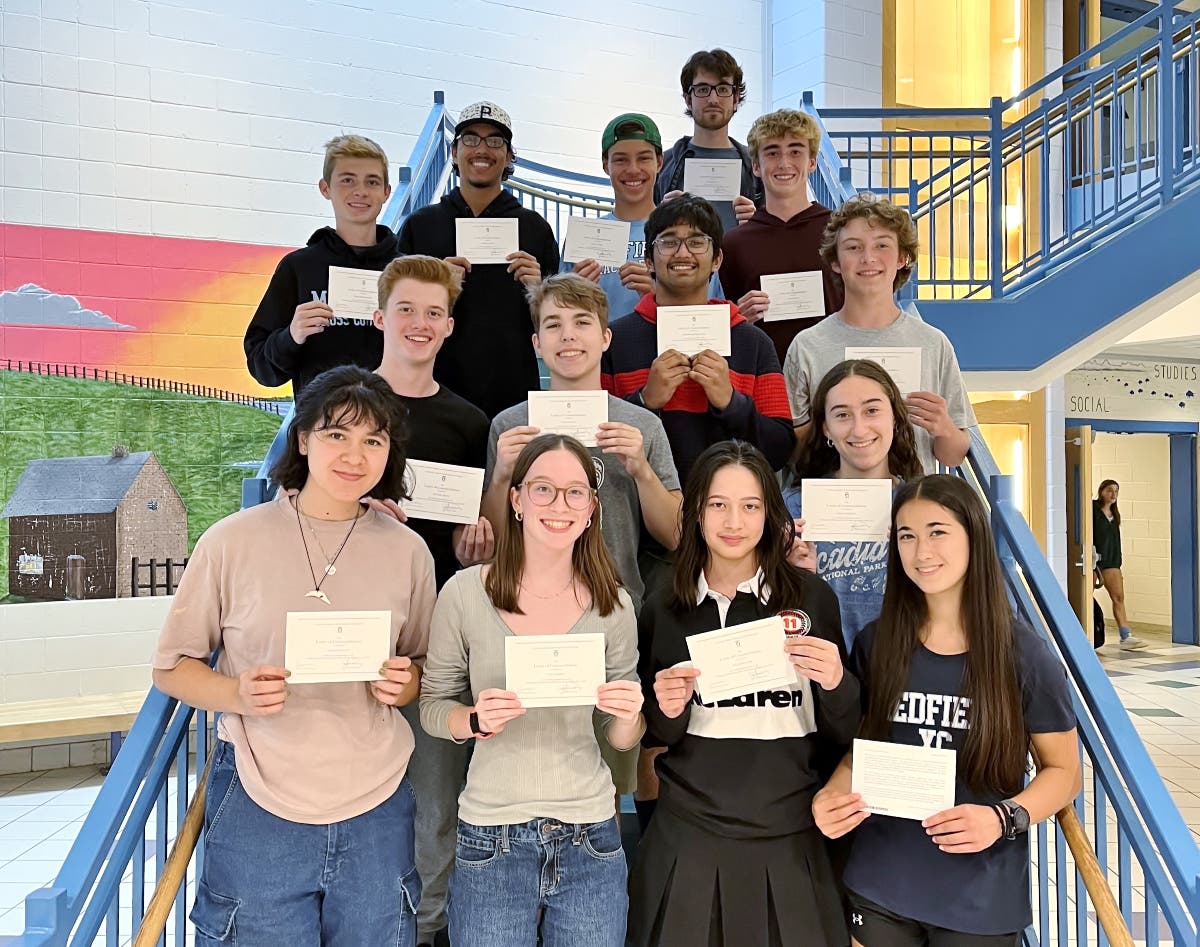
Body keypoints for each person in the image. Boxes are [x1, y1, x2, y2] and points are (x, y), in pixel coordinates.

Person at [152, 366, 433, 946]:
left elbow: (424, 666)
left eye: (373, 440)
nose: (354, 455)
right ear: (302, 439)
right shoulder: (231, 540)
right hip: (258, 794)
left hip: (376, 799)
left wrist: (405, 684)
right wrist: (235, 693)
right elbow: (171, 667)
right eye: (336, 434)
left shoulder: (408, 551)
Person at [813, 475, 1081, 946]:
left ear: (973, 536)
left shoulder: (1024, 656)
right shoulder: (878, 643)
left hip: (979, 895)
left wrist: (1002, 818)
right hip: (881, 880)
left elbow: (1064, 773)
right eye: (907, 536)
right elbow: (866, 749)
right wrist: (831, 795)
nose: (922, 552)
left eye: (937, 531)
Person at [628, 440, 857, 947]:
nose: (734, 522)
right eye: (718, 504)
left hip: (791, 836)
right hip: (688, 836)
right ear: (696, 512)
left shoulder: (812, 598)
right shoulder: (665, 605)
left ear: (770, 514)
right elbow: (658, 734)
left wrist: (836, 682)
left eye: (751, 506)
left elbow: (844, 729)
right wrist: (666, 708)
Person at [420, 434, 644, 947]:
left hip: (590, 835)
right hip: (490, 836)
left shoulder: (614, 605)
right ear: (516, 499)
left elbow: (623, 740)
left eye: (575, 492)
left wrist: (629, 715)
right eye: (543, 489)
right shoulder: (465, 592)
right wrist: (473, 720)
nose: (559, 505)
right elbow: (432, 706)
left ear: (591, 509)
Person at [371, 255, 493, 947]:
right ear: (380, 316)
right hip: (357, 632)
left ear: (449, 326)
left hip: (439, 636)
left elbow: (478, 527)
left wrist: (477, 546)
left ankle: (428, 929)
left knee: (436, 797)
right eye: (407, 310)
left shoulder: (468, 421)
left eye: (434, 313)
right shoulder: (345, 408)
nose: (420, 324)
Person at [600, 194, 793, 483]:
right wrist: (644, 401)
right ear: (649, 260)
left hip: (731, 507)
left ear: (717, 259)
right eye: (668, 242)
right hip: (640, 508)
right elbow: (597, 450)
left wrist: (732, 403)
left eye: (697, 242)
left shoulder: (753, 343)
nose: (682, 253)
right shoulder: (615, 342)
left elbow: (780, 450)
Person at [783, 193, 975, 473]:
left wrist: (943, 427)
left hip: (912, 498)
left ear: (902, 258)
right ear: (835, 261)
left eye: (882, 245)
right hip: (834, 497)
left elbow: (953, 457)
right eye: (853, 247)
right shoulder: (807, 346)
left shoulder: (933, 344)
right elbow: (793, 454)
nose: (868, 258)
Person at [398, 101, 559, 419]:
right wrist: (435, 286)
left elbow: (552, 321)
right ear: (454, 152)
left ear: (509, 156)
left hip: (514, 396)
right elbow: (397, 313)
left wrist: (539, 288)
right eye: (470, 139)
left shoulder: (535, 228)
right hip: (432, 393)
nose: (482, 149)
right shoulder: (420, 225)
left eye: (495, 141)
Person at [785, 359, 923, 651]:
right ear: (826, 428)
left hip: (904, 663)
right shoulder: (793, 507)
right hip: (819, 665)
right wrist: (785, 571)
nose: (859, 430)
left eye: (872, 411)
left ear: (894, 417)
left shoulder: (923, 506)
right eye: (842, 415)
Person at [245, 135, 396, 400]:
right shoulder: (298, 268)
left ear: (386, 192)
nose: (360, 191)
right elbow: (261, 368)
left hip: (392, 419)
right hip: (319, 421)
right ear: (325, 189)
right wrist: (291, 335)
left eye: (372, 182)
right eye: (347, 180)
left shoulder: (404, 272)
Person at [566, 113, 723, 318]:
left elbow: (707, 315)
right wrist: (571, 294)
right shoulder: (582, 239)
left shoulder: (687, 236)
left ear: (659, 162)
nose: (633, 169)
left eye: (644, 158)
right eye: (621, 160)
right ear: (606, 165)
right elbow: (559, 312)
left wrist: (661, 295)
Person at [720, 108, 844, 365]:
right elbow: (722, 331)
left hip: (833, 374)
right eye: (772, 152)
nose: (784, 163)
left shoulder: (841, 232)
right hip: (762, 374)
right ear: (756, 166)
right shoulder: (734, 244)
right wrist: (737, 318)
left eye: (795, 152)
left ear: (812, 162)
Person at [656, 48, 761, 231]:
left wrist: (759, 223)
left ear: (735, 99)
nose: (713, 99)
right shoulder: (663, 166)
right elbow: (643, 231)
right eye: (703, 89)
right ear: (688, 99)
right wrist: (658, 217)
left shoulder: (757, 166)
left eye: (723, 89)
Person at [1093, 479, 1147, 650]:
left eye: (1116, 491)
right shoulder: (1092, 510)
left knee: (1118, 597)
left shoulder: (1114, 515)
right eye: (1109, 490)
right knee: (1085, 596)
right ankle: (1085, 631)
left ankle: (1125, 635)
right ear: (1101, 491)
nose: (1113, 494)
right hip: (1093, 561)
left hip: (1112, 561)